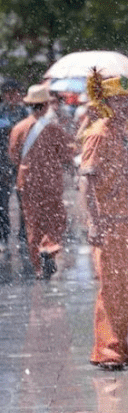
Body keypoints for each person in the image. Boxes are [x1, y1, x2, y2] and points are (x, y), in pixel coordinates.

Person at [79, 72, 128, 370]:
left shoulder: (125, 132)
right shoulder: (98, 132)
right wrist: (93, 222)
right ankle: (105, 349)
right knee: (110, 286)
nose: (125, 106)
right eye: (118, 100)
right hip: (107, 223)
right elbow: (85, 180)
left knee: (125, 286)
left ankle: (121, 345)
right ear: (106, 101)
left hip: (126, 221)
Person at [7, 82, 74, 279]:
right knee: (55, 217)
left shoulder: (18, 128)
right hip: (51, 180)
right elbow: (66, 154)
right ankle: (49, 248)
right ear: (45, 106)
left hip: (27, 181)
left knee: (32, 222)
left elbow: (13, 155)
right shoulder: (53, 128)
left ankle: (38, 266)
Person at [0, 79, 28, 251]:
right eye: (9, 93)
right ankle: (3, 235)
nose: (13, 97)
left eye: (16, 93)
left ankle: (24, 236)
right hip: (2, 162)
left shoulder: (25, 113)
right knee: (2, 201)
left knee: (23, 200)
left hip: (20, 164)